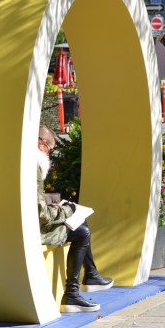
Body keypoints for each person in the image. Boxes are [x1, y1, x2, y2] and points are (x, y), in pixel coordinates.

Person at [37, 125, 113, 313]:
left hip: (22, 226)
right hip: (33, 231)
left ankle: (89, 277)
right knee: (82, 231)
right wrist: (67, 211)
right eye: (50, 148)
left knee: (80, 222)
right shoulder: (33, 167)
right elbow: (40, 215)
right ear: (41, 144)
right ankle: (73, 292)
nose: (50, 154)